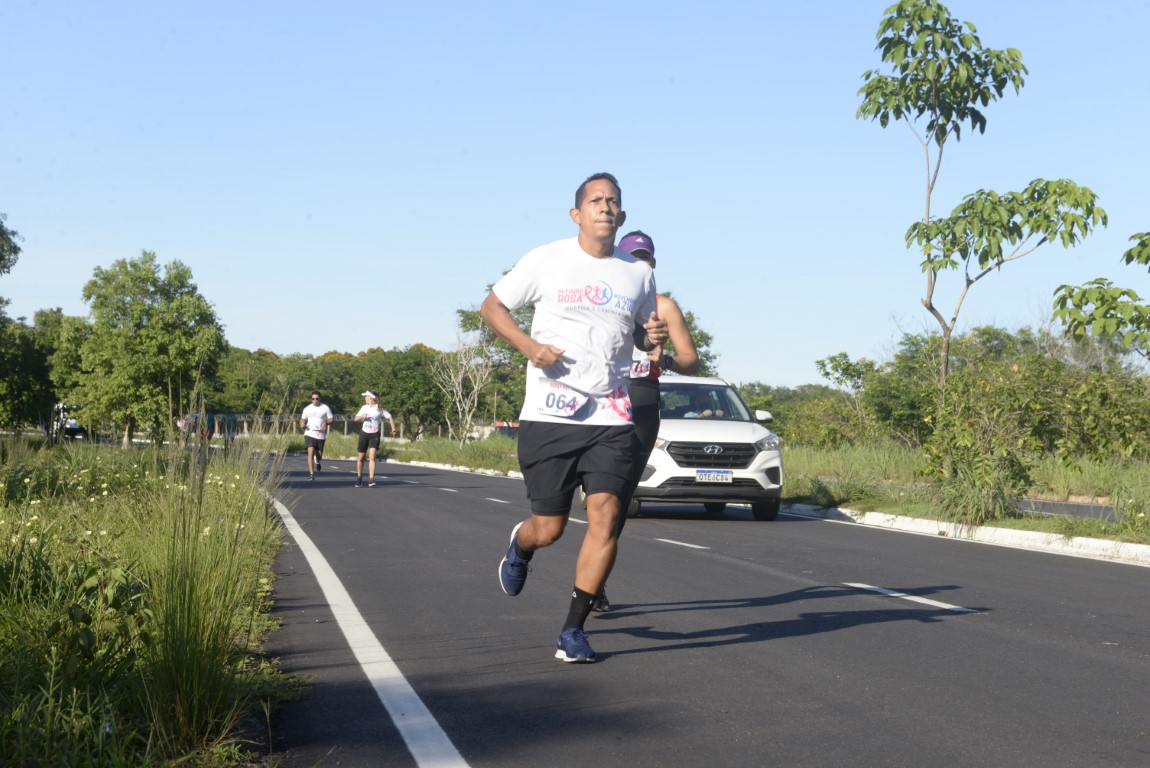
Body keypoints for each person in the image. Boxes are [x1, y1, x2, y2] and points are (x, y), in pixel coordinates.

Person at [480, 172, 669, 663]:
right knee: (550, 528)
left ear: (622, 215)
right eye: (596, 200)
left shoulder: (638, 273)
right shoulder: (547, 259)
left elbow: (642, 335)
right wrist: (529, 346)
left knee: (606, 514)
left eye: (613, 201)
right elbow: (492, 306)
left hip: (612, 413)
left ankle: (573, 630)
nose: (605, 207)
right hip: (550, 413)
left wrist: (651, 336)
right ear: (577, 214)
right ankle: (522, 546)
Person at [592, 230, 700, 613]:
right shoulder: (602, 299)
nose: (639, 264)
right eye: (632, 257)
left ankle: (594, 581)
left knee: (619, 499)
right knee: (595, 495)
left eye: (645, 258)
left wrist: (665, 360)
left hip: (641, 400)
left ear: (653, 264)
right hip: (601, 398)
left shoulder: (664, 306)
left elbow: (691, 361)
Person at [353, 391, 396, 487]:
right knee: (361, 457)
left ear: (371, 398)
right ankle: (359, 477)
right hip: (364, 434)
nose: (365, 398)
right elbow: (355, 419)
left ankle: (371, 480)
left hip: (374, 434)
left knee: (372, 457)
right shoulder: (364, 407)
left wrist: (393, 430)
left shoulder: (379, 408)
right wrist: (362, 416)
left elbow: (390, 417)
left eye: (366, 396)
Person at [299, 391, 334, 481]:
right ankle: (312, 474)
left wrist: (326, 423)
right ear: (311, 399)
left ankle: (317, 460)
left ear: (320, 399)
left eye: (317, 399)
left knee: (319, 456)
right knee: (310, 453)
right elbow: (302, 419)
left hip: (320, 434)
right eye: (313, 399)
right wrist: (302, 424)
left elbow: (331, 419)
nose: (315, 400)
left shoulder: (325, 408)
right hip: (309, 433)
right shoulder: (307, 409)